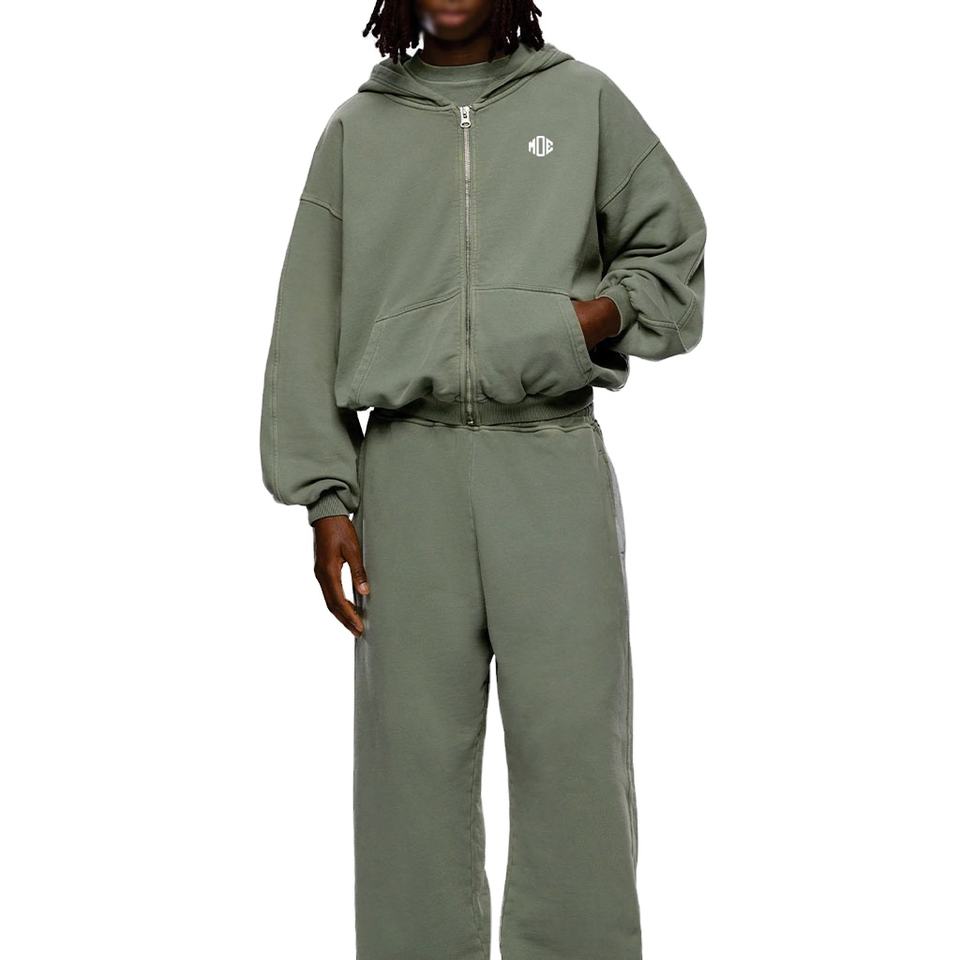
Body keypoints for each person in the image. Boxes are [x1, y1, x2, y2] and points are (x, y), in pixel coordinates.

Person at [260, 0, 705, 956]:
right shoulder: (356, 130)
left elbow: (672, 249)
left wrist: (582, 322)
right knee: (409, 774)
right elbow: (306, 320)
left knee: (576, 759)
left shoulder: (582, 100)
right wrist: (325, 499)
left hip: (550, 461)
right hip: (406, 473)